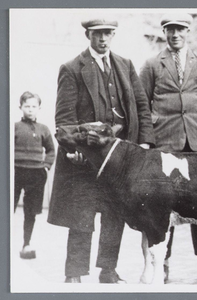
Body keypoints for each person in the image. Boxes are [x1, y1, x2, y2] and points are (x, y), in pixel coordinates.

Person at [47, 17, 154, 284]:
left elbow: (141, 107)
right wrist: (75, 148)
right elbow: (64, 119)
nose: (103, 39)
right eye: (97, 34)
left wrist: (144, 144)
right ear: (88, 36)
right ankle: (74, 273)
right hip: (84, 159)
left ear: (113, 34)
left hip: (118, 159)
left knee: (114, 212)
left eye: (108, 33)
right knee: (81, 215)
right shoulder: (72, 68)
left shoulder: (125, 66)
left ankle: (108, 271)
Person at [139, 13, 197, 284]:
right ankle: (162, 264)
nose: (175, 34)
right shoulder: (152, 64)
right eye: (170, 29)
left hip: (196, 143)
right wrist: (154, 134)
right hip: (165, 144)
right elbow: (142, 104)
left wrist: (194, 125)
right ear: (164, 32)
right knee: (163, 206)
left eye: (180, 29)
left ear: (188, 32)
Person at [14, 91, 55, 259]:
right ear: (20, 107)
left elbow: (51, 150)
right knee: (8, 207)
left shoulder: (43, 129)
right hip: (16, 172)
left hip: (35, 174)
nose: (30, 110)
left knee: (30, 211)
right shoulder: (14, 127)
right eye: (27, 106)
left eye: (33, 106)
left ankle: (26, 244)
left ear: (39, 108)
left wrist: (45, 166)